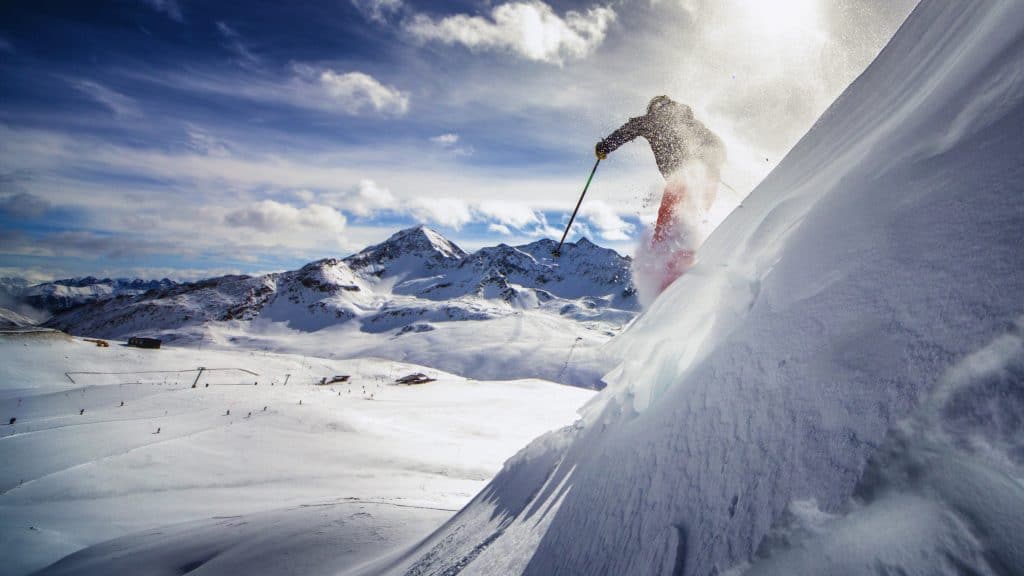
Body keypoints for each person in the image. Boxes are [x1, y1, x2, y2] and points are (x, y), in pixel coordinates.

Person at [596, 96, 726, 300]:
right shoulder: (690, 121)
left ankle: (667, 265)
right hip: (708, 179)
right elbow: (718, 146)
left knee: (668, 219)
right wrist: (710, 163)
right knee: (693, 218)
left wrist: (605, 147)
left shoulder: (652, 120)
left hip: (685, 176)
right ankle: (688, 258)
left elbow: (628, 130)